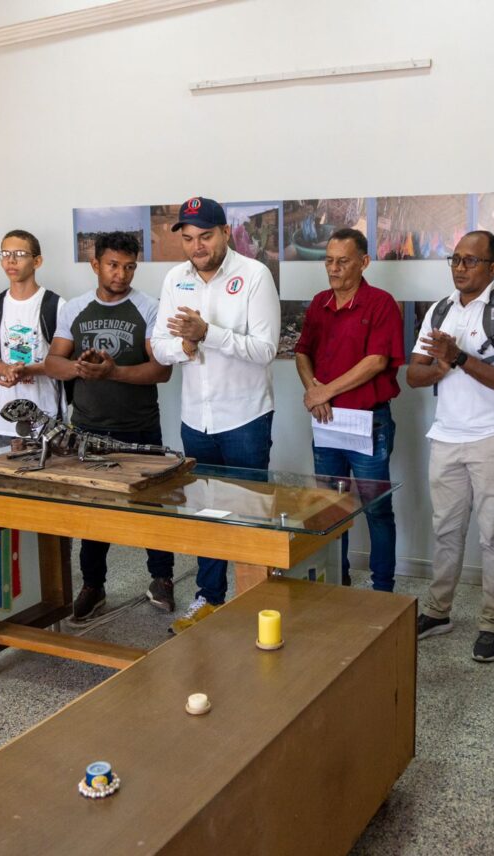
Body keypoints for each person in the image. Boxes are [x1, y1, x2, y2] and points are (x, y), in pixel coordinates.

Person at [151, 197, 280, 632]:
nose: (196, 246)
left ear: (226, 232)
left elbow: (265, 351)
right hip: (196, 418)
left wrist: (208, 334)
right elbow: (160, 346)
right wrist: (187, 346)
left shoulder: (254, 276)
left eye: (205, 236)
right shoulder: (175, 279)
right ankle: (209, 597)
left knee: (248, 512)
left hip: (244, 416)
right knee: (207, 512)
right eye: (188, 238)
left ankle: (256, 599)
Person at [406, 231, 494, 663]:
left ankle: (492, 622)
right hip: (447, 435)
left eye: (471, 261)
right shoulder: (441, 309)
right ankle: (440, 612)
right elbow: (413, 376)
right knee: (445, 531)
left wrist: (458, 359)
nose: (461, 267)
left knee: (493, 534)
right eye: (455, 259)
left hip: (493, 435)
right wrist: (442, 364)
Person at [45, 231, 175, 620]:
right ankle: (93, 586)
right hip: (88, 429)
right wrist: (81, 369)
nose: (121, 274)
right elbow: (53, 362)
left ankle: (162, 578)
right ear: (95, 264)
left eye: (129, 266)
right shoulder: (74, 308)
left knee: (153, 506)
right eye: (113, 265)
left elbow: (161, 371)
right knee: (94, 511)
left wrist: (113, 371)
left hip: (139, 427)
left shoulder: (149, 307)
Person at [294, 227, 404, 591]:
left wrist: (324, 391)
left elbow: (376, 361)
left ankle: (383, 588)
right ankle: (334, 581)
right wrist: (314, 391)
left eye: (343, 261)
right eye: (329, 261)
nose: (333, 269)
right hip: (326, 424)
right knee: (329, 508)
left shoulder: (380, 303)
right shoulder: (319, 302)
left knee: (376, 508)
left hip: (367, 422)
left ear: (364, 262)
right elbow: (301, 352)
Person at [0, 229, 65, 448]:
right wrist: (5, 369)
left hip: (48, 418)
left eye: (20, 254)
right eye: (5, 254)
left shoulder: (56, 306)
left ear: (37, 261)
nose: (11, 260)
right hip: (7, 421)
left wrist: (28, 370)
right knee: (8, 480)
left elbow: (65, 364)